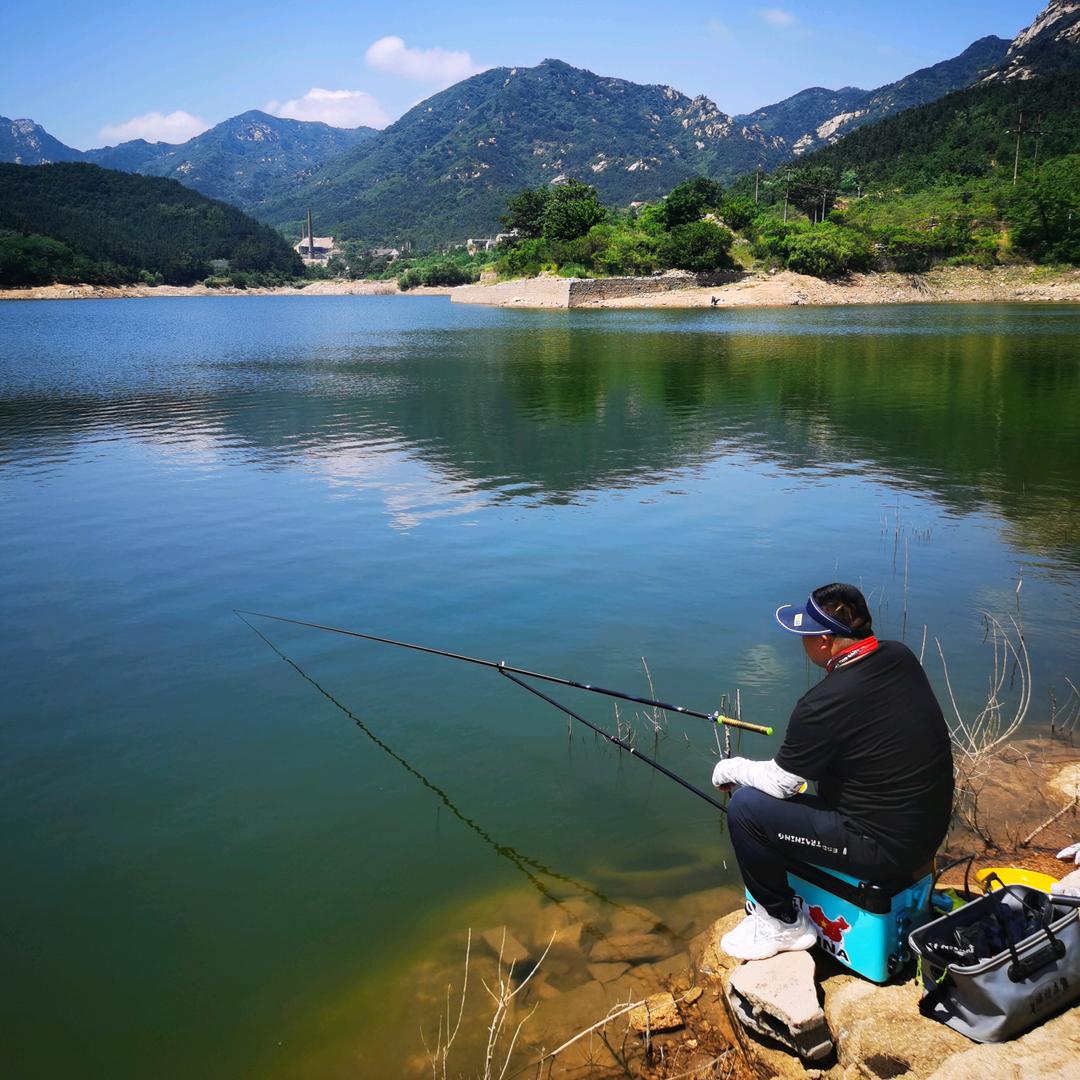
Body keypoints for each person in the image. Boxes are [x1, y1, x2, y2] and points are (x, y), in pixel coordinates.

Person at [711, 582, 954, 961]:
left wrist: (734, 768)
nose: (801, 642)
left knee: (745, 809)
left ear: (825, 641)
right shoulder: (899, 656)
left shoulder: (823, 702)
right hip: (926, 834)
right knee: (771, 801)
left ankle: (781, 923)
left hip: (882, 847)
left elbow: (783, 782)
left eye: (805, 635)